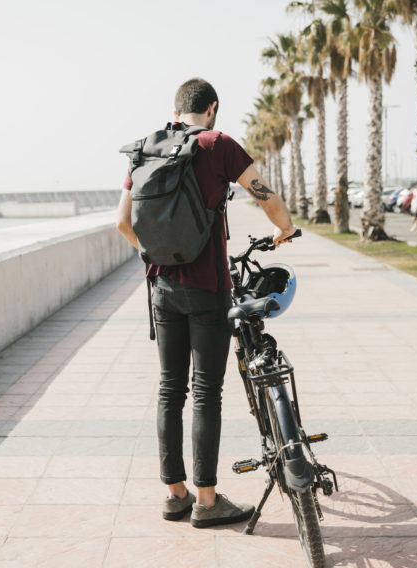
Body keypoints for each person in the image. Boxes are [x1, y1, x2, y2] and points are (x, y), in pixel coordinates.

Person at [116, 77, 297, 528]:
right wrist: (284, 228)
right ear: (211, 109)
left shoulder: (146, 147)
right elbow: (264, 195)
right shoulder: (218, 145)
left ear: (176, 109)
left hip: (160, 287)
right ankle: (207, 500)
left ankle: (174, 495)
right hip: (207, 287)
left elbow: (122, 222)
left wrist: (156, 257)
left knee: (169, 389)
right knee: (205, 393)